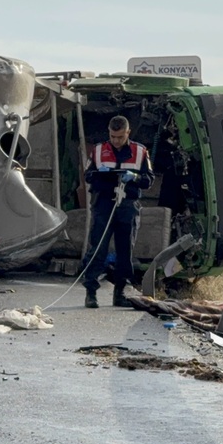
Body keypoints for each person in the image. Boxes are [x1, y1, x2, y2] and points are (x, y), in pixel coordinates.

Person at [81, 115, 153, 308]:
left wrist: (135, 177)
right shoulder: (98, 151)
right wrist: (100, 174)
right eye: (112, 136)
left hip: (127, 205)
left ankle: (120, 292)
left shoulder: (140, 152)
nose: (116, 141)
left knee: (125, 251)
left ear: (127, 133)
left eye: (120, 137)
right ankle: (91, 293)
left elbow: (148, 180)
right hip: (103, 204)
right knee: (97, 249)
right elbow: (88, 175)